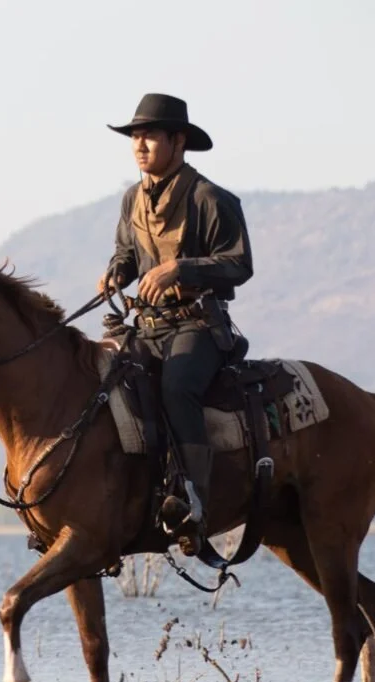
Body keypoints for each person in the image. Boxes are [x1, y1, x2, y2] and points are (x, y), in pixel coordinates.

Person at [98, 93, 254, 555]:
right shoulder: (132, 199)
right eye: (134, 137)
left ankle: (195, 503)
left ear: (177, 141)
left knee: (177, 387)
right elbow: (126, 254)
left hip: (198, 326)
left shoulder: (211, 199)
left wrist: (180, 270)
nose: (139, 145)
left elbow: (239, 264)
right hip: (146, 327)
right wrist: (115, 273)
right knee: (105, 381)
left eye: (148, 135)